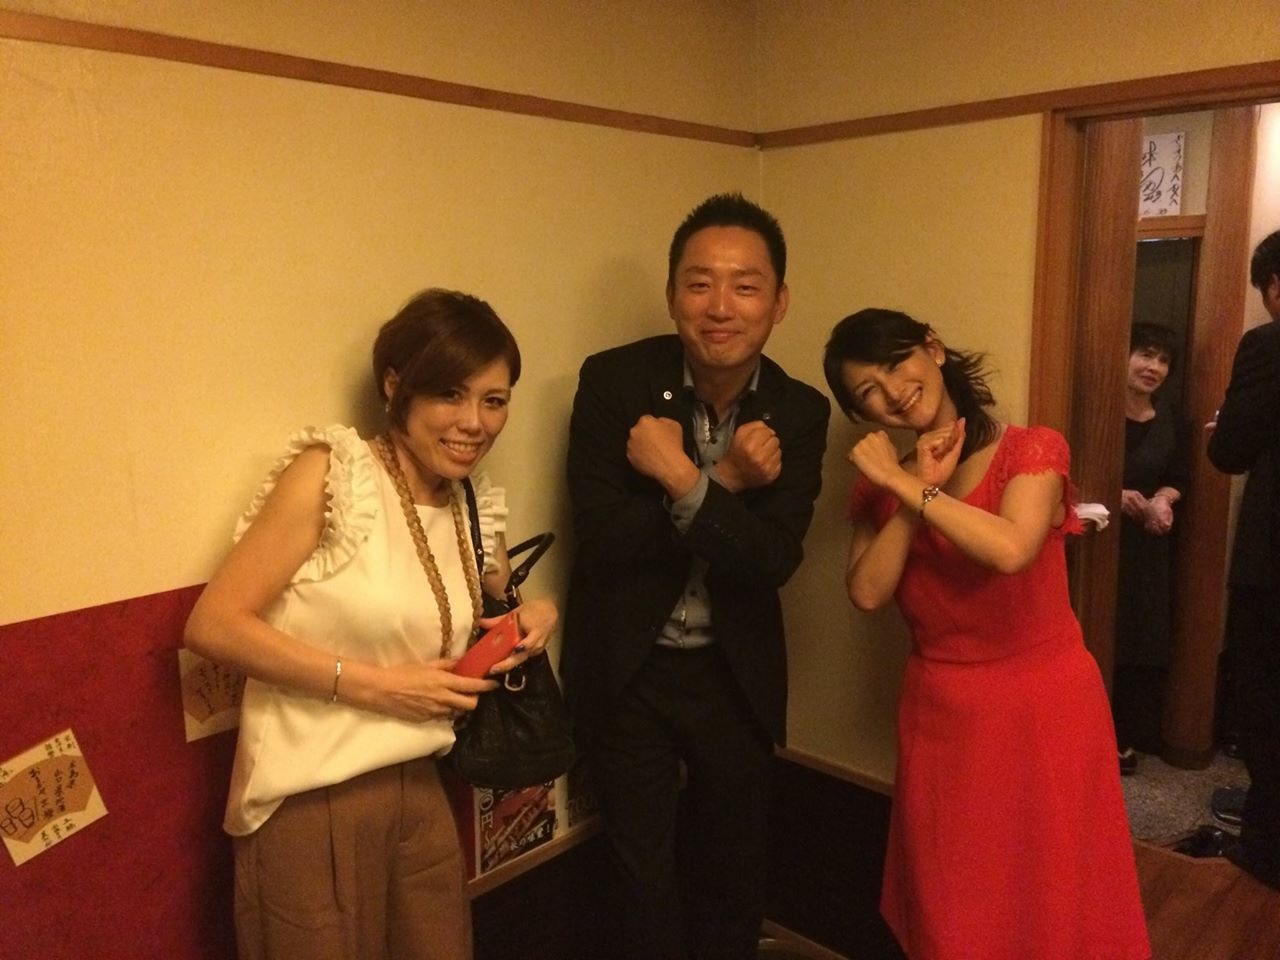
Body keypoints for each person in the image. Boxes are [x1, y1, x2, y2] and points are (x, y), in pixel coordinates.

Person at [184, 288, 558, 960]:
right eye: (449, 394)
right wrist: (377, 687)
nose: (473, 422)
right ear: (395, 385)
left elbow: (501, 597)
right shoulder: (336, 475)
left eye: (494, 400)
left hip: (421, 784)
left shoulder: (472, 502)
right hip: (312, 792)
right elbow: (213, 625)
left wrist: (537, 611)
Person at [824, 308, 1150, 960]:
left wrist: (904, 485)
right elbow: (866, 592)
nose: (893, 392)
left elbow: (1010, 549)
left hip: (1044, 706)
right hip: (942, 714)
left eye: (897, 364)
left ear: (934, 349)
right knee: (954, 895)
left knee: (1051, 887)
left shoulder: (1033, 448)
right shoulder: (885, 488)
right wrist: (910, 488)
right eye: (868, 391)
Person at [561, 193, 830, 960]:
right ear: (672, 292)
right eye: (700, 282)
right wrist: (727, 484)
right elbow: (605, 542)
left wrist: (682, 479)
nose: (720, 306)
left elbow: (772, 560)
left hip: (732, 674)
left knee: (733, 875)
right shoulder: (614, 381)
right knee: (639, 879)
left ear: (778, 302)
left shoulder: (798, 411)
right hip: (630, 669)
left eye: (745, 286)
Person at [1205, 227, 1280, 891]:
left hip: (1275, 565)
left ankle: (1265, 847)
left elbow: (1229, 451)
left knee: (1265, 699)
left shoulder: (1267, 345)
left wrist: (1227, 425)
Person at [1114, 322, 1189, 775]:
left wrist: (1163, 499)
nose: (1154, 367)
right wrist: (1114, 494)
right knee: (1100, 630)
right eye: (1145, 354)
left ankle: (1123, 736)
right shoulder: (1101, 411)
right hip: (1103, 538)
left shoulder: (1170, 418)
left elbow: (1179, 478)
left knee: (1140, 639)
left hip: (1148, 543)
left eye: (1163, 360)